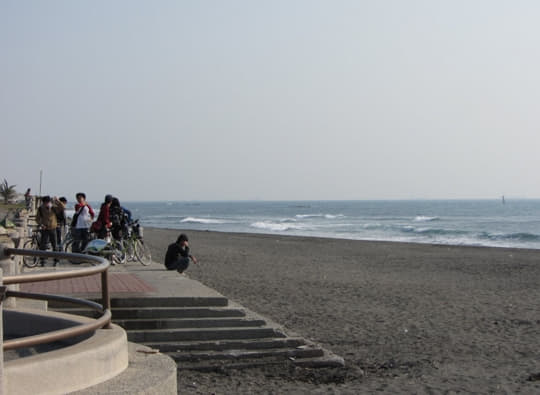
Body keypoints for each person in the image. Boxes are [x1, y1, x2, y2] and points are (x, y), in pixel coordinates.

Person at [35, 195, 59, 266]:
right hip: (45, 229)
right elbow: (37, 219)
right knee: (43, 245)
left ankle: (56, 260)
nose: (47, 204)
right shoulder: (40, 209)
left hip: (53, 228)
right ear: (43, 202)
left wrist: (58, 201)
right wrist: (41, 224)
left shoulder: (54, 207)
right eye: (45, 202)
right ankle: (42, 260)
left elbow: (62, 207)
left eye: (48, 202)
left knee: (55, 245)